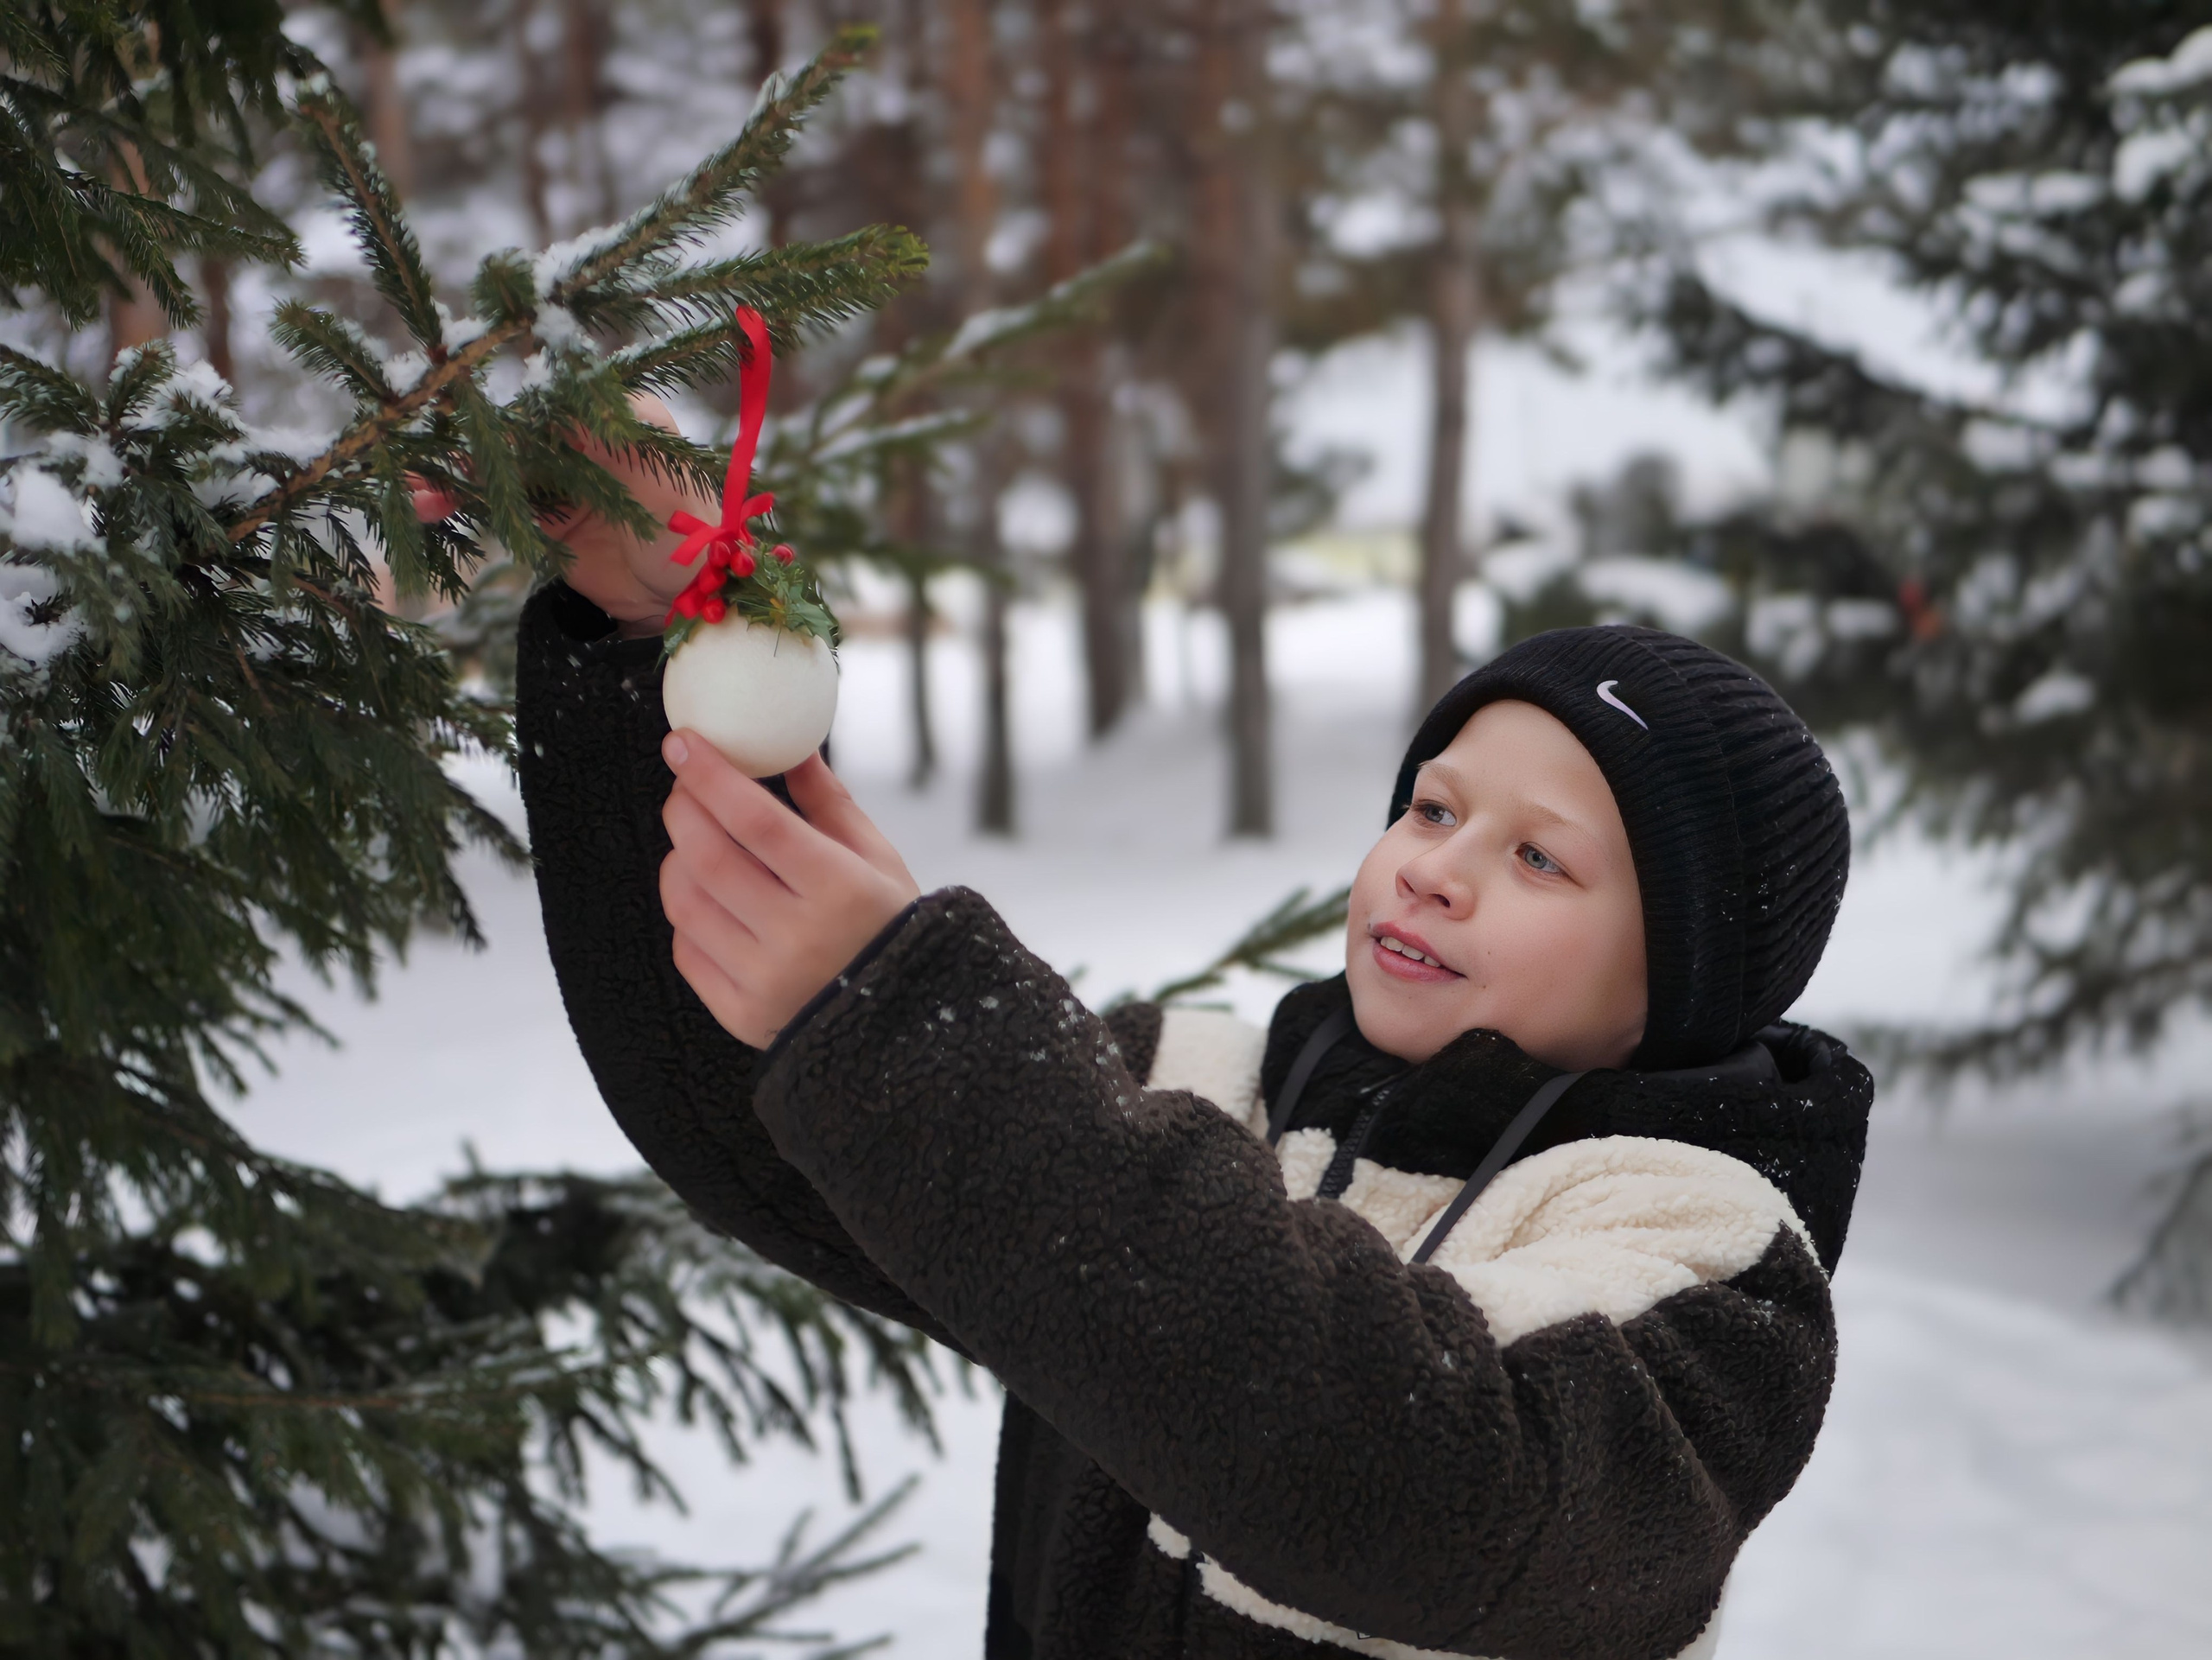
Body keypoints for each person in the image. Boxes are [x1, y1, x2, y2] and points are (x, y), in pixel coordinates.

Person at [507, 428, 1871, 1660]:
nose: (1436, 871)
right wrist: (667, 643)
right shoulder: (1200, 1090)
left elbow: (1428, 1490)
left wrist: (908, 1019)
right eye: (1434, 807)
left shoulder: (1710, 1264)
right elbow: (760, 1127)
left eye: (1537, 855)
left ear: (1682, 973)